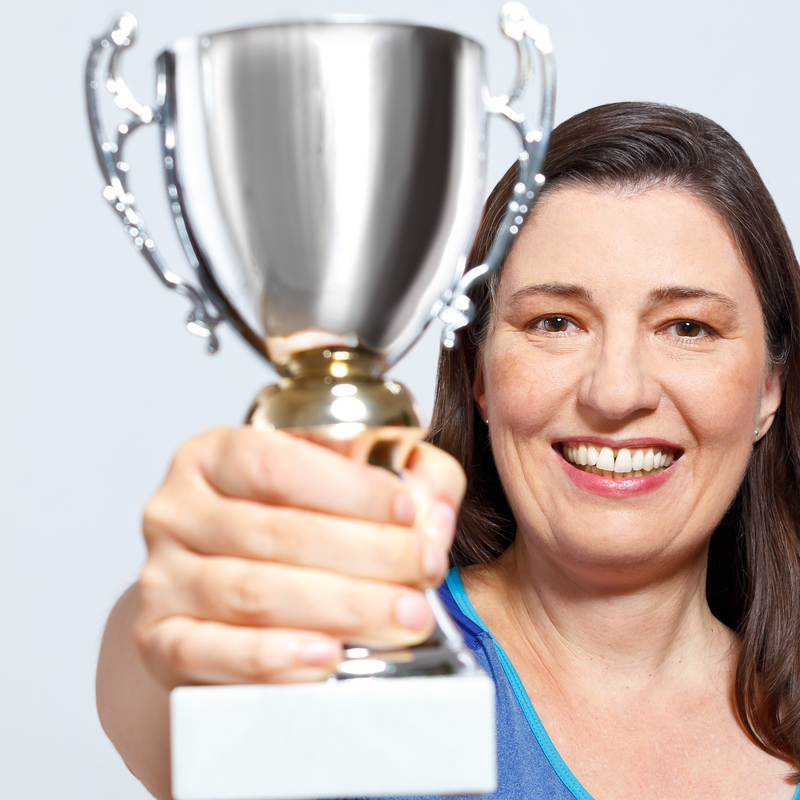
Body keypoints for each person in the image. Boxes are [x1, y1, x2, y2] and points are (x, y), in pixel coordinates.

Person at [96, 102, 800, 799]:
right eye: (555, 321)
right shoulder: (366, 656)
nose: (616, 392)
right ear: (480, 376)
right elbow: (172, 713)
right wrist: (189, 606)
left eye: (688, 327)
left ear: (770, 388)